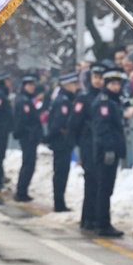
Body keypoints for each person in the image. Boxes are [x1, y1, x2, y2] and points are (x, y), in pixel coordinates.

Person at [89, 68, 128, 237]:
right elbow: (103, 129)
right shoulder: (104, 102)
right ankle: (102, 224)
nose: (116, 87)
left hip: (109, 151)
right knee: (104, 189)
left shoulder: (112, 101)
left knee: (106, 189)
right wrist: (109, 149)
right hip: (105, 152)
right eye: (112, 83)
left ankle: (102, 222)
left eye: (118, 83)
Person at [70, 64, 107, 229]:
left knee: (100, 183)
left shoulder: (106, 98)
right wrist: (80, 143)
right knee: (91, 182)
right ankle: (88, 218)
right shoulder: (83, 98)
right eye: (96, 78)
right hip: (88, 144)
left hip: (100, 145)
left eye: (101, 78)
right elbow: (74, 123)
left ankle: (96, 218)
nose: (98, 81)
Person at [46, 71, 79, 212]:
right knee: (61, 173)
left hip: (62, 142)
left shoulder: (63, 99)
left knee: (61, 172)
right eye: (73, 83)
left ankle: (59, 202)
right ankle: (59, 203)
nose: (76, 86)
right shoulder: (64, 101)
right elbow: (60, 122)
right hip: (61, 142)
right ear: (67, 85)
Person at [11, 74, 42, 202]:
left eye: (33, 85)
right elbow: (23, 120)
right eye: (29, 85)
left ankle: (23, 190)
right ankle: (21, 191)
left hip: (31, 136)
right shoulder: (24, 101)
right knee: (28, 163)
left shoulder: (28, 99)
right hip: (28, 136)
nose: (32, 87)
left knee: (29, 163)